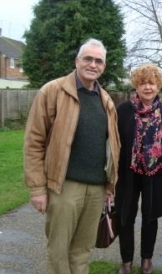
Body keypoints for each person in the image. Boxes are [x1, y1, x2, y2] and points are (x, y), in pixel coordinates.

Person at [23, 38, 120, 274]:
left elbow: (111, 146)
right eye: (88, 58)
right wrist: (37, 189)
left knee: (82, 252)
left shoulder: (105, 100)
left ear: (103, 66)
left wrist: (110, 185)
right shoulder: (53, 91)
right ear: (77, 61)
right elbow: (34, 142)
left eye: (98, 61)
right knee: (58, 252)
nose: (93, 64)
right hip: (64, 186)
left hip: (96, 189)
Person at [115, 64, 162, 274]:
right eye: (143, 82)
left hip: (156, 174)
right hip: (128, 173)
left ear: (157, 85)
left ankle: (146, 259)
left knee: (150, 215)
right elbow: (113, 143)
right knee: (125, 215)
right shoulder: (124, 110)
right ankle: (126, 261)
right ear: (136, 85)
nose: (147, 87)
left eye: (151, 83)